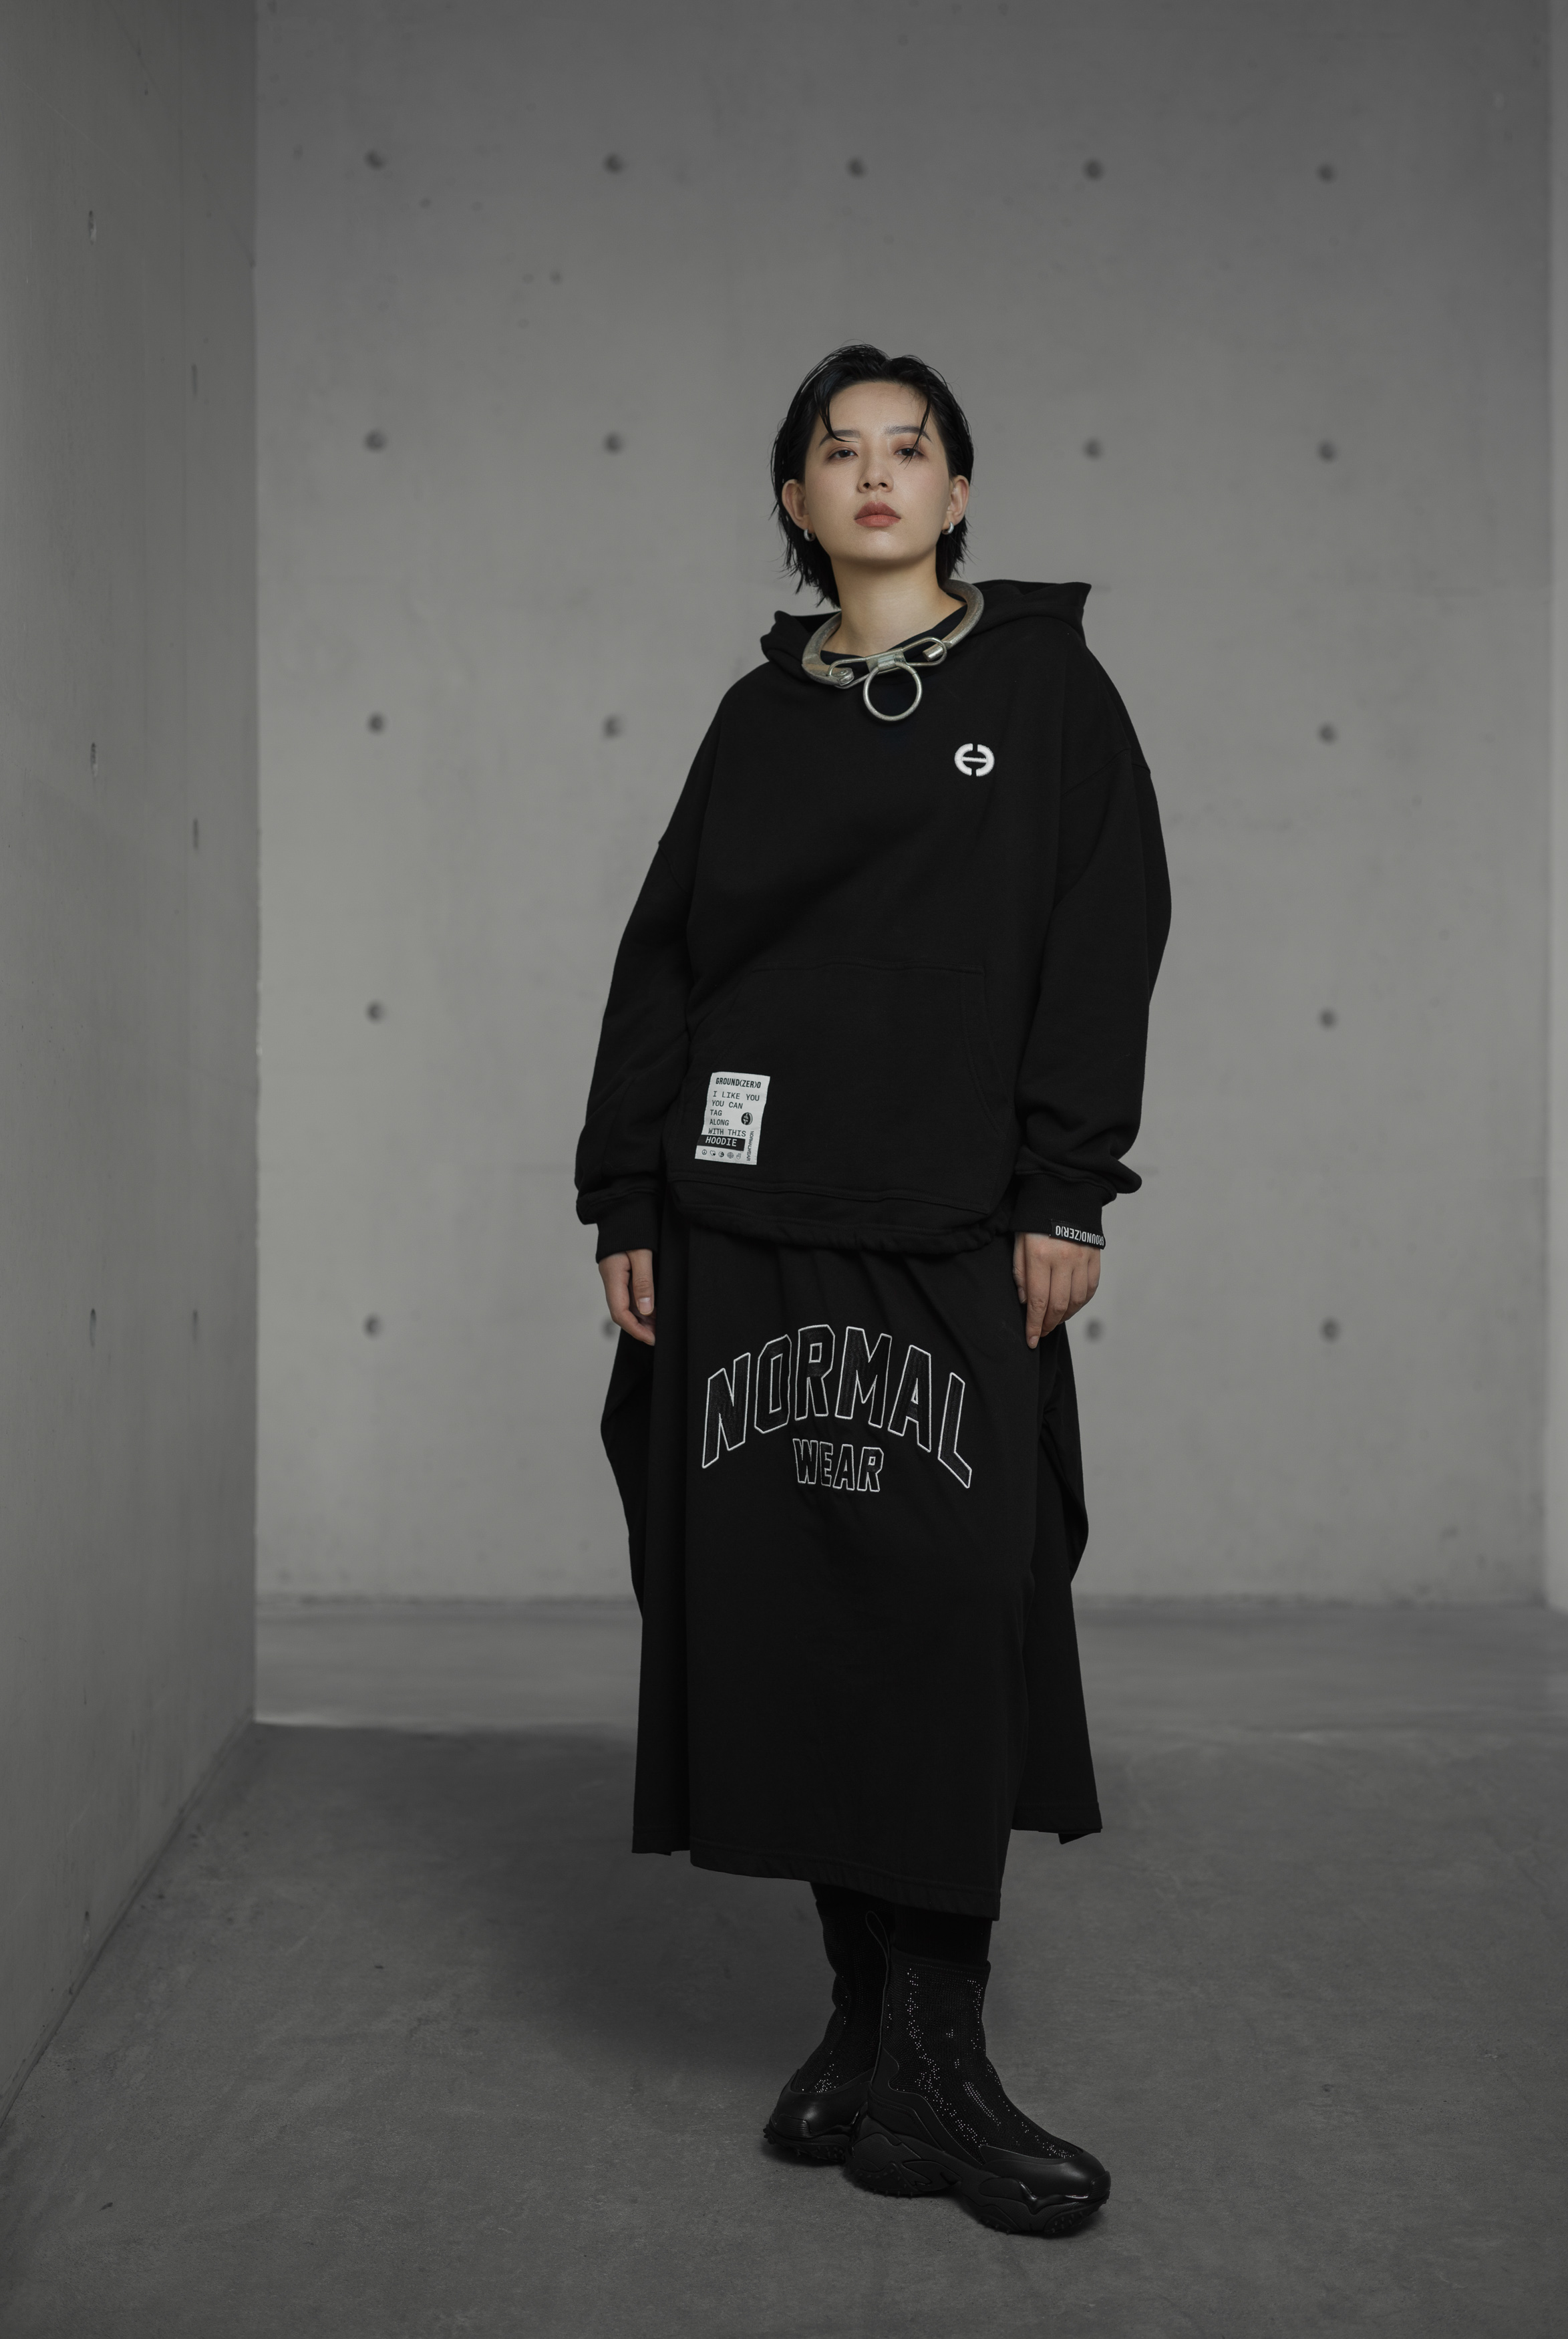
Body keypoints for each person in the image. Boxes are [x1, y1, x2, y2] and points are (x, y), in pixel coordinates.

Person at [575, 343, 1169, 2237]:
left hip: (948, 1222)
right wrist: (624, 1192)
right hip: (742, 1217)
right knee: (791, 1608)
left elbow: (1105, 930)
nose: (878, 472)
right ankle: (867, 2039)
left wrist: (1067, 1182)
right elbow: (667, 961)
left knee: (949, 1603)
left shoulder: (1047, 688)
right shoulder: (756, 720)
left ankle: (939, 2057)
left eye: (912, 447)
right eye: (840, 451)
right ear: (796, 501)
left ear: (960, 491)